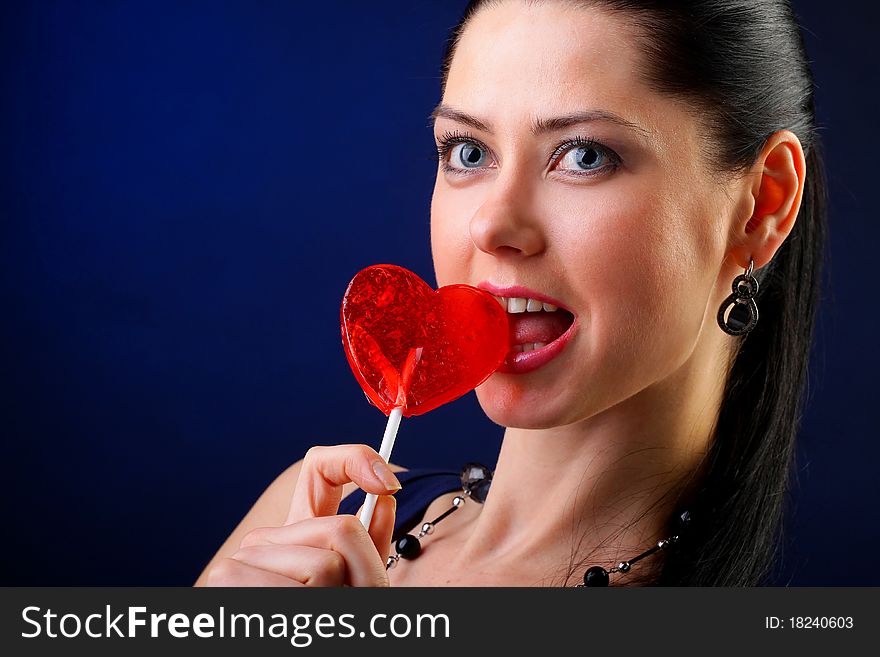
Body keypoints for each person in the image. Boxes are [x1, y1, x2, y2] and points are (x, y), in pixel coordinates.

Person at [195, 0, 826, 587]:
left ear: (760, 204)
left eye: (584, 156)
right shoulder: (297, 523)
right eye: (468, 151)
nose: (491, 226)